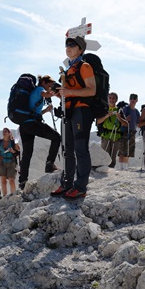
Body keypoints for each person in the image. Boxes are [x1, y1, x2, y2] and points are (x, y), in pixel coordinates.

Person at [50, 36, 96, 201]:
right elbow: (69, 93)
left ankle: (80, 187)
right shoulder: (69, 69)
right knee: (67, 149)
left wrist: (68, 92)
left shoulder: (84, 66)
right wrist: (59, 93)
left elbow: (91, 90)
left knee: (80, 149)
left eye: (72, 45)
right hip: (69, 112)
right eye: (66, 45)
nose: (68, 47)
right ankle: (67, 184)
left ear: (80, 49)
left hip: (81, 112)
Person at [17, 75, 62, 190]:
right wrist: (56, 90)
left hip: (24, 125)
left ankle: (22, 181)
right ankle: (49, 164)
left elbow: (33, 113)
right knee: (56, 137)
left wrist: (46, 111)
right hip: (33, 124)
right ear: (43, 82)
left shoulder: (33, 92)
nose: (50, 87)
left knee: (27, 153)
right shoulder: (39, 90)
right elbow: (46, 94)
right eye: (49, 84)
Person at [96, 92, 124, 168]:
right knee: (104, 154)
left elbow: (126, 124)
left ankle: (111, 170)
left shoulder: (120, 110)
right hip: (105, 135)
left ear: (116, 100)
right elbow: (98, 121)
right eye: (110, 98)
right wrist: (107, 116)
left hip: (116, 136)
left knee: (113, 155)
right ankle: (103, 168)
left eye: (113, 98)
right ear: (107, 99)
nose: (111, 100)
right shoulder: (104, 109)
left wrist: (119, 118)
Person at [0, 127, 21, 195]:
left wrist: (13, 151)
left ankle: (13, 195)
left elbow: (18, 153)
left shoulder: (13, 142)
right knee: (3, 181)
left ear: (9, 133)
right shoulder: (0, 141)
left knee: (11, 180)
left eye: (6, 131)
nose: (4, 132)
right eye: (3, 131)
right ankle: (5, 196)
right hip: (2, 163)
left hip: (12, 162)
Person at [116, 94, 140, 171]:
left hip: (132, 131)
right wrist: (126, 119)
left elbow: (138, 122)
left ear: (137, 100)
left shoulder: (136, 111)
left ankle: (124, 167)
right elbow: (120, 119)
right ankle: (121, 167)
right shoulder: (125, 109)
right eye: (131, 99)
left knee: (129, 150)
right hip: (124, 131)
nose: (132, 100)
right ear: (129, 100)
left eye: (134, 99)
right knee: (122, 149)